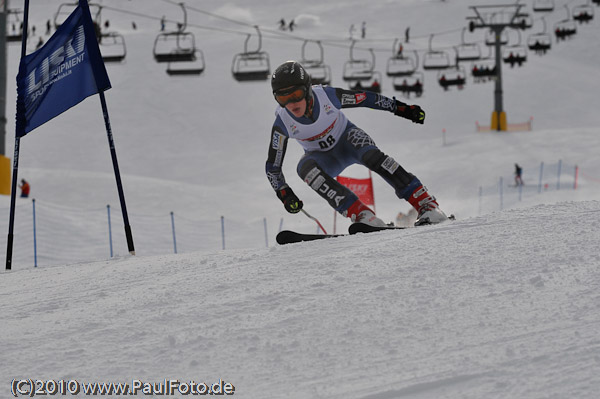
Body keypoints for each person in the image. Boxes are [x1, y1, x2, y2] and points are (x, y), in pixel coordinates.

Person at [266, 61, 450, 227]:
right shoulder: (282, 122)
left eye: (296, 94)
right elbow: (273, 168)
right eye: (283, 98)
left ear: (307, 89)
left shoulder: (327, 96)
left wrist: (401, 109)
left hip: (348, 140)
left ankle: (427, 203)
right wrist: (285, 193)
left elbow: (366, 98)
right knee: (304, 168)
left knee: (371, 156)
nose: (291, 103)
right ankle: (363, 215)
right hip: (323, 158)